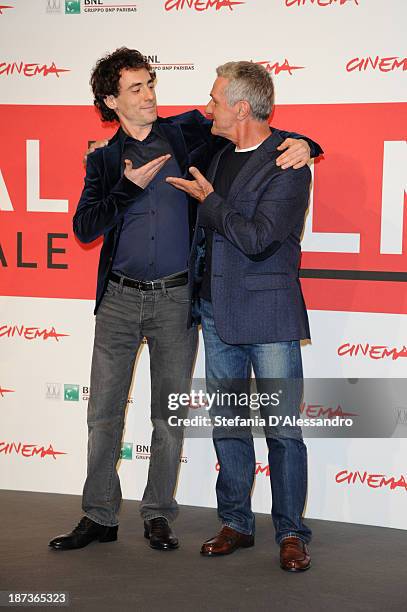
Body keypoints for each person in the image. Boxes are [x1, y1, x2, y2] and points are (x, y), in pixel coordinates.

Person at [48, 48, 321, 552]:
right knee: (103, 415)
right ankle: (101, 515)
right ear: (111, 100)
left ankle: (158, 515)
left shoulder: (187, 134)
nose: (150, 93)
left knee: (169, 416)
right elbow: (85, 226)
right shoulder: (103, 159)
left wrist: (308, 145)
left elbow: (255, 128)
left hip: (178, 299)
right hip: (119, 301)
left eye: (150, 83)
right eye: (136, 88)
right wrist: (125, 190)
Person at [167, 61, 318, 571]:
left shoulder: (290, 166)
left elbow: (257, 239)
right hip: (217, 314)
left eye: (214, 99)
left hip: (269, 317)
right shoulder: (216, 153)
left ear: (240, 107)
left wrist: (210, 202)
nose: (206, 107)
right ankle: (235, 521)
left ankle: (292, 531)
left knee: (282, 431)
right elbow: (162, 132)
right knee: (228, 426)